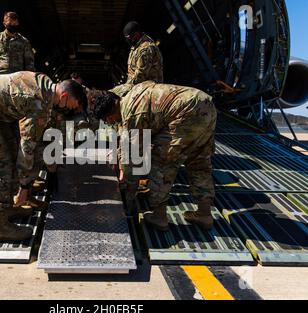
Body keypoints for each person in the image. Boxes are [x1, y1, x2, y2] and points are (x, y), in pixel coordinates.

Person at [0, 72, 87, 242]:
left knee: (10, 153)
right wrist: (24, 186)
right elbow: (27, 148)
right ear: (63, 96)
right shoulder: (39, 102)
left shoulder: (46, 86)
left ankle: (10, 206)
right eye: (71, 105)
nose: (69, 109)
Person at [89, 81, 217, 231]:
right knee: (199, 161)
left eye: (108, 121)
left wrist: (127, 195)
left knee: (162, 163)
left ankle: (159, 217)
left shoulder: (132, 115)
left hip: (185, 113)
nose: (111, 124)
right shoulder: (133, 96)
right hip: (206, 105)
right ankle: (204, 214)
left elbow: (132, 161)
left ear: (110, 114)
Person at [0, 12, 35, 77]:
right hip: (0, 75)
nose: (12, 25)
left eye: (14, 23)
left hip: (18, 76)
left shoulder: (24, 42)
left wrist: (29, 77)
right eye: (10, 22)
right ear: (4, 23)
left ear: (18, 23)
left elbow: (29, 61)